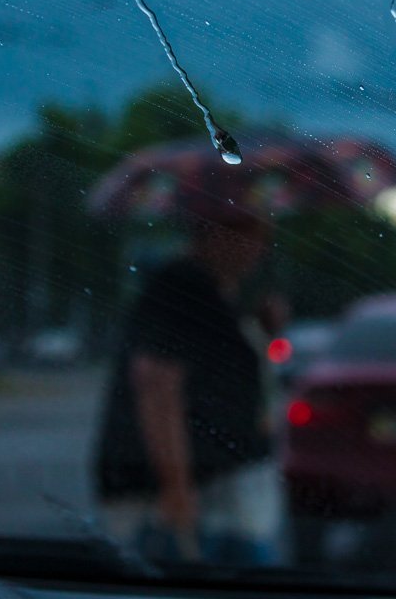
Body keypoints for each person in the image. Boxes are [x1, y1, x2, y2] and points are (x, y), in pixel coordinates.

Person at [95, 195, 282, 566]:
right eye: (253, 234)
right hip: (187, 499)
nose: (261, 249)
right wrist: (176, 488)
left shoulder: (212, 291)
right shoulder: (184, 286)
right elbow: (156, 385)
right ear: (215, 234)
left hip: (208, 491)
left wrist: (262, 329)